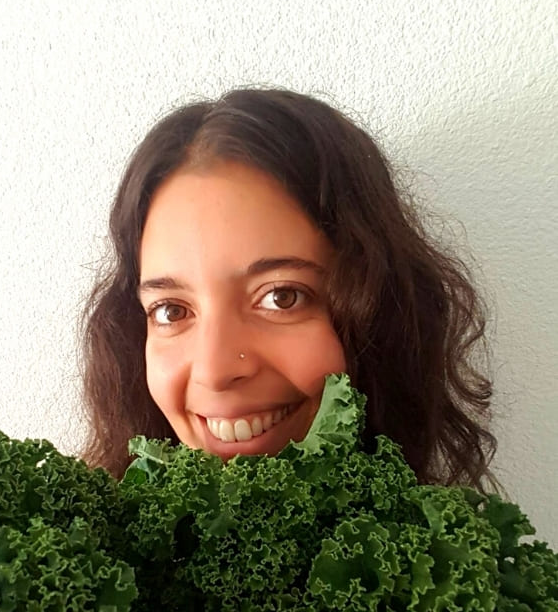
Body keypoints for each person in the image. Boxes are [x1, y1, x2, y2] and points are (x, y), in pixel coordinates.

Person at [80, 86, 496, 488]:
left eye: (282, 297)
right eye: (171, 310)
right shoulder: (85, 549)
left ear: (381, 312)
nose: (216, 371)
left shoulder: (454, 555)